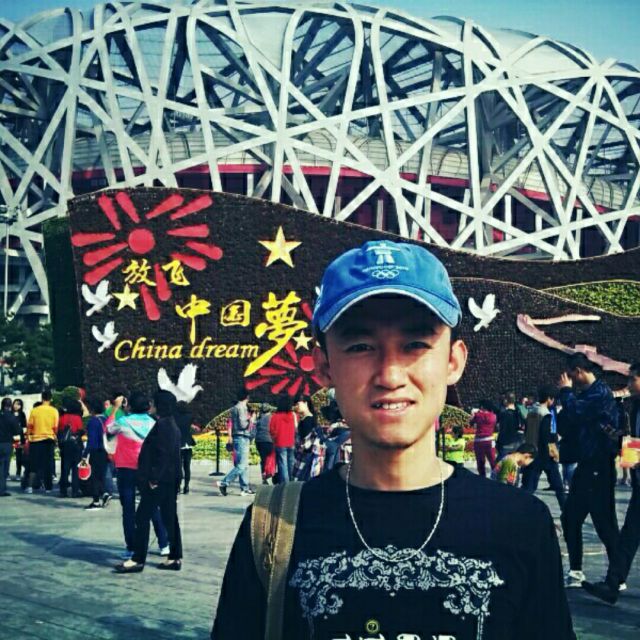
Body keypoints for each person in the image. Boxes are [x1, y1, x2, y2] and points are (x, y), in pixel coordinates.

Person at [212, 239, 575, 640]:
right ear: (324, 367)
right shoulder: (274, 528)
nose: (390, 375)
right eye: (361, 346)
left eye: (415, 344)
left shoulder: (520, 525)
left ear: (453, 361)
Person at [558, 353, 621, 588]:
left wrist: (565, 391)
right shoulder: (587, 394)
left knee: (603, 522)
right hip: (588, 464)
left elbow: (575, 412)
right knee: (572, 518)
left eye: (571, 375)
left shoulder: (599, 393)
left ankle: (616, 575)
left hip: (599, 464)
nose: (570, 380)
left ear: (578, 371)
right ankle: (578, 572)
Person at [583, 361, 640, 603]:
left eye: (633, 379)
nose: (629, 384)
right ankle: (612, 584)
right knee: (629, 535)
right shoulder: (635, 407)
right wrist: (619, 440)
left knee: (630, 534)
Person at [115, 390, 183, 573]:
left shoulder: (163, 426)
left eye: (154, 402)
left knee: (142, 517)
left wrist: (153, 478)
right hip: (169, 479)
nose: (151, 405)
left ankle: (137, 559)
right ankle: (174, 557)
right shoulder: (170, 424)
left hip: (159, 481)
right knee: (169, 517)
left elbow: (163, 455)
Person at [105, 391, 169, 558]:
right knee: (152, 506)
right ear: (147, 406)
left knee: (128, 510)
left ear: (130, 406)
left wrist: (116, 408)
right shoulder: (154, 423)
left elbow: (108, 428)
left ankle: (132, 547)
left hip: (126, 469)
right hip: (146, 470)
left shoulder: (123, 422)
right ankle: (164, 544)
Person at [521, 385, 566, 510]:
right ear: (549, 398)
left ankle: (521, 509)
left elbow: (526, 431)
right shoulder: (545, 414)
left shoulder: (531, 411)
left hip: (530, 452)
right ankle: (566, 511)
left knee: (529, 487)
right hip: (545, 454)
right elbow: (546, 436)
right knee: (558, 487)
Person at [217, 387, 255, 496]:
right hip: (242, 436)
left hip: (238, 437)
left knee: (243, 464)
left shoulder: (234, 408)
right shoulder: (242, 408)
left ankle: (245, 488)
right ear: (247, 397)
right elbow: (243, 424)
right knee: (242, 465)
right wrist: (251, 420)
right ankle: (224, 482)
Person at [26, 389, 59, 493]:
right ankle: (48, 488)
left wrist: (28, 437)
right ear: (51, 399)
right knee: (48, 464)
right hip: (49, 440)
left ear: (42, 398)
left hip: (35, 440)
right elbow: (55, 427)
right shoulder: (54, 411)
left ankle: (30, 487)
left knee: (33, 465)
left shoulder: (35, 410)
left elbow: (30, 426)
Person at [83, 396, 111, 510]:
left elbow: (92, 441)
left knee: (94, 476)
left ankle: (96, 501)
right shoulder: (106, 419)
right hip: (106, 451)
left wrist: (85, 454)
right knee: (101, 475)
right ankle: (104, 494)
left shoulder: (93, 421)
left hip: (96, 451)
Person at [57, 398, 85, 498]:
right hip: (76, 446)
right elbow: (80, 430)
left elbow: (59, 431)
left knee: (65, 468)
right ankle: (75, 490)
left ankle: (63, 491)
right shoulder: (77, 418)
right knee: (75, 468)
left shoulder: (62, 417)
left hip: (65, 446)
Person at [269, 394, 297, 483]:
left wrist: (274, 438)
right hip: (291, 442)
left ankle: (285, 484)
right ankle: (292, 481)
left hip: (280, 442)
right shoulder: (292, 416)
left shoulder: (275, 416)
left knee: (283, 464)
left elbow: (272, 430)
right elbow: (295, 428)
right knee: (291, 463)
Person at [174, 401, 198, 494]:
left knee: (178, 467)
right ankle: (186, 487)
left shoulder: (174, 417)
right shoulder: (189, 416)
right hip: (188, 444)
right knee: (187, 467)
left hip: (178, 443)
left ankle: (178, 486)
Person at [470, 400, 497, 477]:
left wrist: (474, 413)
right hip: (490, 440)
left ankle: (482, 478)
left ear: (482, 406)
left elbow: (471, 422)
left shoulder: (478, 415)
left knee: (480, 463)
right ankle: (495, 477)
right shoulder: (493, 416)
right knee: (493, 461)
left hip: (479, 441)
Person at [0, 397, 20, 496]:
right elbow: (17, 431)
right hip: (7, 443)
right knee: (4, 467)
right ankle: (2, 489)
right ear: (10, 405)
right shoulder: (12, 417)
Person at [495, 392, 523, 461]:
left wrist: (498, 443)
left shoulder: (504, 413)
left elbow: (502, 429)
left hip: (506, 443)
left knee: (501, 464)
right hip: (517, 442)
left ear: (506, 400)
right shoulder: (519, 412)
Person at [254, 403, 275, 485]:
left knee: (263, 460)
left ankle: (264, 476)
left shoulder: (259, 418)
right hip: (269, 440)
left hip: (259, 441)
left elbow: (255, 429)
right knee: (271, 459)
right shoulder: (271, 417)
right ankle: (269, 474)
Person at [12, 398, 27, 481]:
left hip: (19, 438)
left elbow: (24, 426)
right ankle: (6, 473)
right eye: (15, 403)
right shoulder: (10, 414)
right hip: (10, 438)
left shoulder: (22, 414)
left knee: (19, 456)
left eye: (18, 404)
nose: (16, 406)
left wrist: (22, 436)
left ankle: (18, 473)